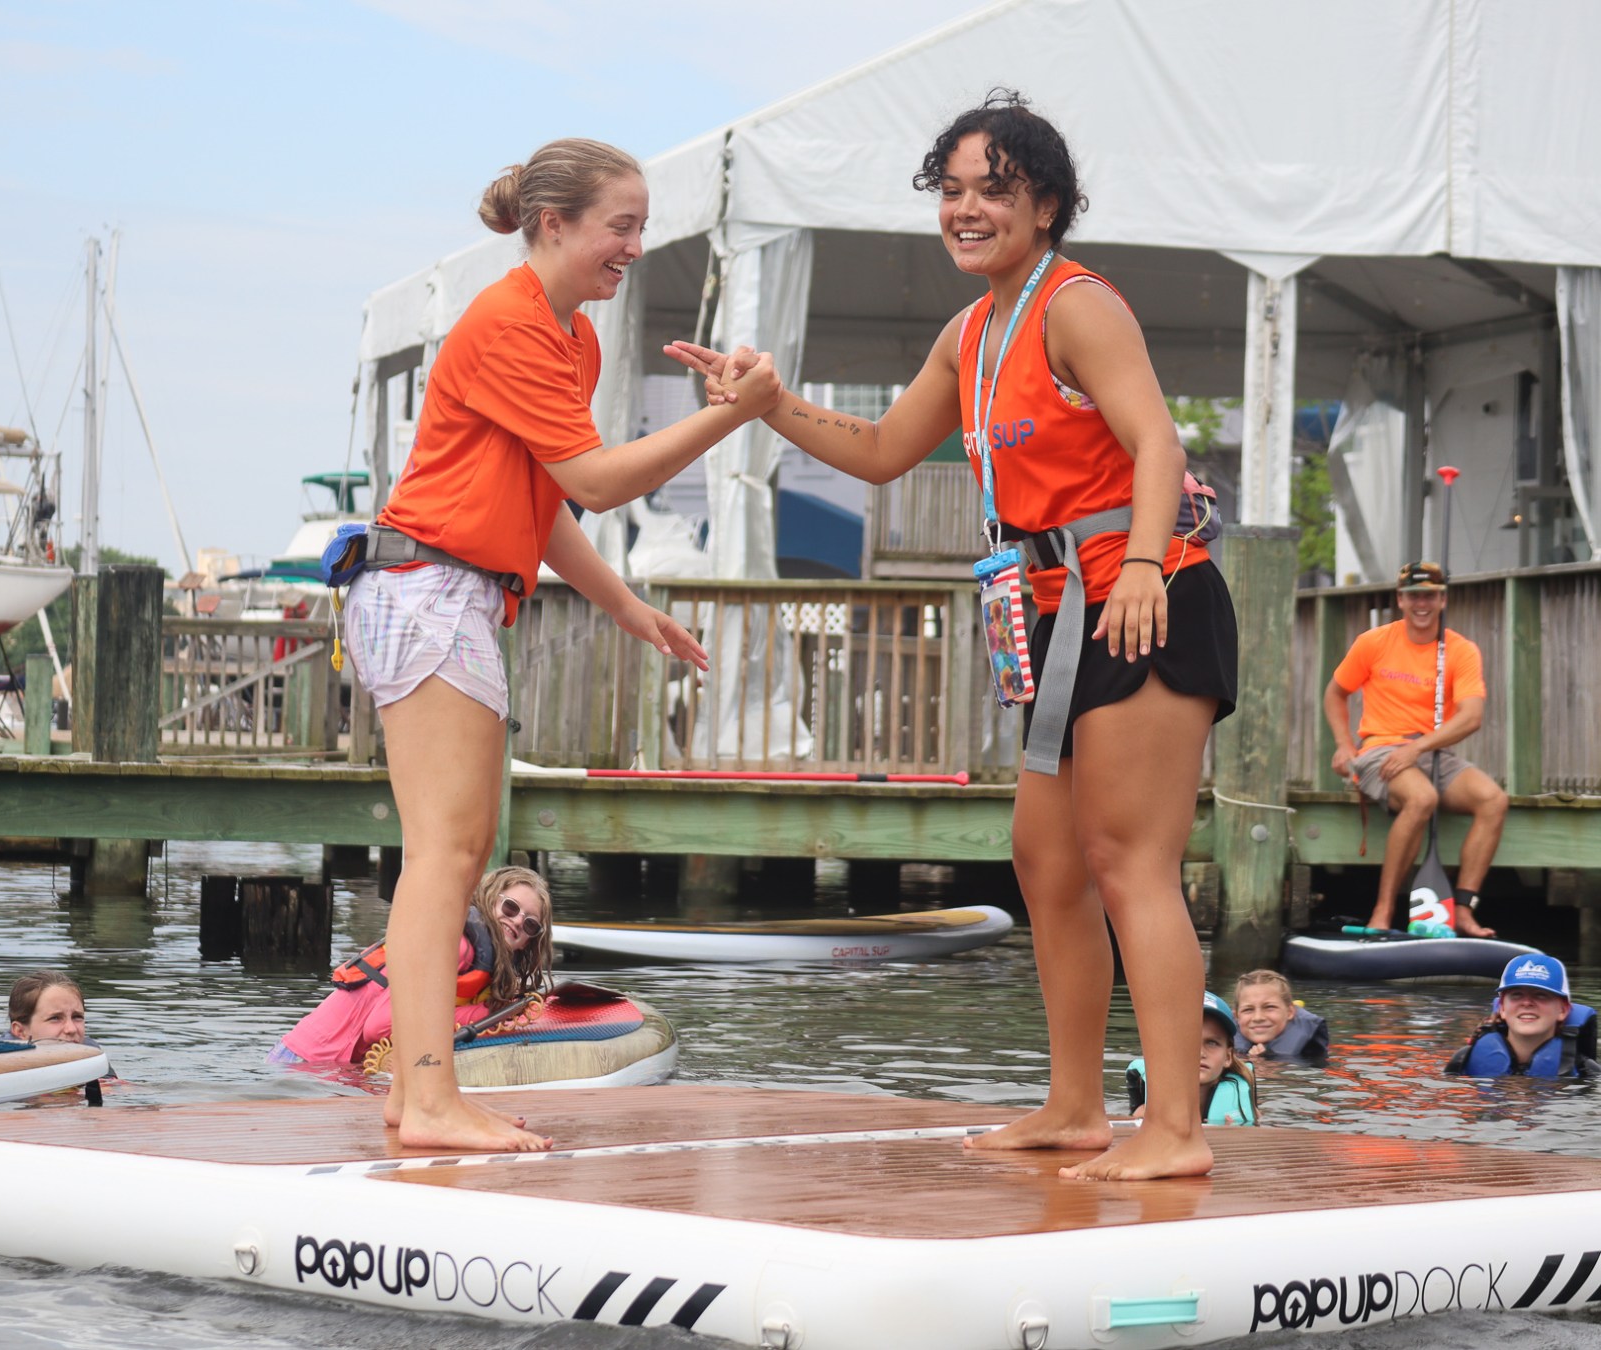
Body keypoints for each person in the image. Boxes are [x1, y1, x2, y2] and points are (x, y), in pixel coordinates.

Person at [669, 90, 1237, 1180]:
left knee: (1132, 862)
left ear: (1049, 206)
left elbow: (1155, 443)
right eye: (954, 191)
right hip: (1055, 615)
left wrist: (1146, 566)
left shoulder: (1079, 305)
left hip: (1144, 597)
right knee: (1046, 862)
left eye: (994, 191)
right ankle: (1075, 1106)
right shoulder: (971, 332)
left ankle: (1176, 1129)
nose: (967, 209)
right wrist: (766, 404)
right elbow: (883, 449)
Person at [346, 138, 778, 1152]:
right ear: (553, 226)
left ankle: (419, 1097)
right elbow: (593, 480)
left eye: (640, 225)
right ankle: (431, 1097)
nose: (635, 245)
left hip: (453, 590)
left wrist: (627, 606)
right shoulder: (507, 325)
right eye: (620, 226)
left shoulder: (569, 335)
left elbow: (542, 503)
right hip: (426, 588)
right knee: (445, 858)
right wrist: (731, 418)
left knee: (449, 855)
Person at [1324, 560, 1508, 937]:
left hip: (1433, 753)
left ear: (1442, 600)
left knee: (1493, 799)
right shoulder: (1374, 642)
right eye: (1413, 596)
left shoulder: (1460, 650)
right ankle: (1384, 909)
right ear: (1400, 600)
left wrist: (1418, 748)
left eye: (1430, 596)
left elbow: (1471, 717)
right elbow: (1335, 693)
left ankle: (1462, 909)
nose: (1421, 604)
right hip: (1379, 751)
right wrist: (1345, 746)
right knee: (1422, 798)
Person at [272, 868, 552, 1072]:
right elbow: (379, 1027)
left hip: (330, 1066)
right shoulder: (460, 945)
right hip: (303, 1065)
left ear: (528, 943)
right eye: (511, 907)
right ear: (491, 899)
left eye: (530, 925)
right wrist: (488, 1014)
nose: (516, 921)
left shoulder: (485, 965)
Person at [1445, 953, 1598, 1079]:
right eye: (1516, 995)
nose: (1527, 1003)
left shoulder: (1584, 1070)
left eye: (1541, 995)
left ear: (1563, 1010)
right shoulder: (1463, 1061)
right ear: (1502, 1008)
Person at [1127, 992, 1257, 1126]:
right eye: (1188, 1041)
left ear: (1228, 1057)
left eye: (1212, 1043)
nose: (1200, 1053)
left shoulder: (1244, 1112)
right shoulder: (1144, 1114)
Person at [1232, 969, 1329, 1061]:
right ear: (1236, 1016)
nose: (1258, 1017)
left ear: (1290, 1012)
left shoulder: (1311, 1049)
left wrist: (1269, 1064)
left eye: (1269, 1007)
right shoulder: (1224, 1048)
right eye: (1248, 1009)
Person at [8, 970, 95, 1046]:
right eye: (55, 1018)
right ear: (20, 1031)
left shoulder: (95, 1055)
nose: (72, 1029)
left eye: (77, 1017)